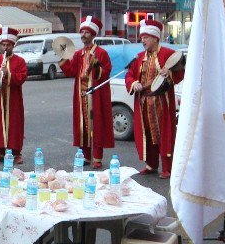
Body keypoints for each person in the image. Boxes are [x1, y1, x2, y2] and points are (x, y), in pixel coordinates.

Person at [124, 19, 183, 178]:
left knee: (164, 133)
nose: (142, 40)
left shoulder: (168, 54)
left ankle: (167, 168)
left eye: (146, 37)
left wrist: (169, 73)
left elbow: (181, 73)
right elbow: (129, 75)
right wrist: (134, 83)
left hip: (161, 102)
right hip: (144, 102)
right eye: (142, 37)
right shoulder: (139, 57)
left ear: (156, 38)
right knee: (148, 134)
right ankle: (151, 165)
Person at [59, 16, 115, 169]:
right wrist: (63, 58)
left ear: (93, 35)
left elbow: (106, 72)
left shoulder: (102, 53)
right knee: (83, 125)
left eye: (86, 32)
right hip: (80, 96)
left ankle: (97, 157)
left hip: (95, 95)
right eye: (82, 32)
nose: (83, 35)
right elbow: (71, 71)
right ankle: (85, 155)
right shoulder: (78, 54)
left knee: (96, 125)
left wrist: (95, 67)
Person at [0, 27, 28, 164]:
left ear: (13, 45)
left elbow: (22, 76)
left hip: (13, 99)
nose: (5, 47)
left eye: (8, 45)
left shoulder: (19, 61)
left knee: (15, 124)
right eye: (3, 45)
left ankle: (16, 153)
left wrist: (8, 75)